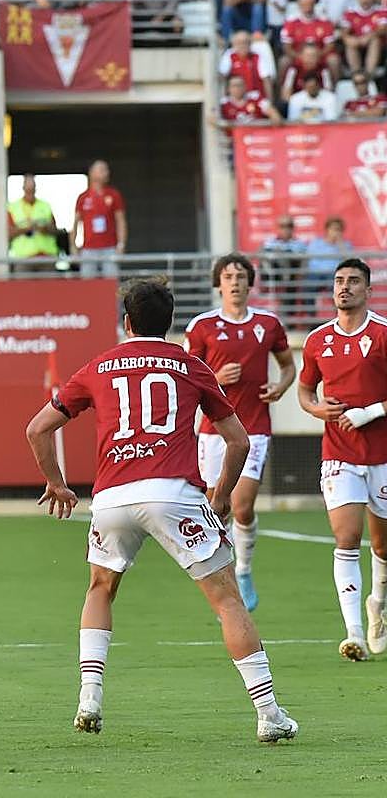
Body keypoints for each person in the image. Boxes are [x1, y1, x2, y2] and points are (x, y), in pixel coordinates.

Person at [25, 278, 299, 743]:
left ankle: (89, 697)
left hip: (112, 497)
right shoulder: (191, 365)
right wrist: (220, 497)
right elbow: (238, 441)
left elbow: (37, 429)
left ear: (126, 322)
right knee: (226, 599)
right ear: (170, 323)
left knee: (100, 588)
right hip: (174, 493)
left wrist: (56, 483)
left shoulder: (99, 365)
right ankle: (269, 714)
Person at [184, 254, 295, 612]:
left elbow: (288, 366)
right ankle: (225, 580)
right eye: (228, 276)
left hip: (254, 428)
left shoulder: (268, 324)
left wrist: (281, 386)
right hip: (213, 431)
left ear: (250, 283)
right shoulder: (201, 326)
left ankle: (244, 570)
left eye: (241, 276)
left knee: (242, 506)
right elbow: (187, 377)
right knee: (216, 508)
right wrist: (215, 379)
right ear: (218, 284)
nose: (235, 282)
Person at [298, 258, 387, 660]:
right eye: (339, 281)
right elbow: (305, 391)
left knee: (382, 546)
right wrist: (316, 409)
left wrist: (371, 412)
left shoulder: (382, 334)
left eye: (353, 281)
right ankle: (353, 633)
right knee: (346, 538)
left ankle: (377, 605)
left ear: (368, 290)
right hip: (339, 453)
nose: (344, 287)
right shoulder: (318, 340)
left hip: (382, 454)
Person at [72, 160, 126, 278]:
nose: (106, 173)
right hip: (88, 248)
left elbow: (120, 221)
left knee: (111, 281)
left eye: (106, 170)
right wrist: (73, 246)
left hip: (110, 247)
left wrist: (121, 244)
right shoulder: (83, 197)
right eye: (102, 170)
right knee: (87, 282)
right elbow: (75, 223)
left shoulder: (114, 195)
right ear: (92, 173)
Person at [7, 175, 59, 265]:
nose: (30, 193)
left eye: (32, 190)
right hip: (23, 258)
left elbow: (54, 230)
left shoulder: (45, 205)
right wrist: (27, 229)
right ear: (23, 189)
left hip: (46, 256)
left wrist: (43, 229)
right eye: (28, 190)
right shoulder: (13, 207)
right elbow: (8, 233)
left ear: (35, 189)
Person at [340, 0, 385, 78]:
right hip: (357, 45)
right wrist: (347, 38)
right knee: (350, 42)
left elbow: (383, 28)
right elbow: (344, 31)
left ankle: (369, 75)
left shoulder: (381, 10)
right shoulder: (350, 12)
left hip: (379, 49)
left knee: (375, 40)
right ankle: (356, 75)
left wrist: (368, 36)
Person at [218, 30, 274, 101]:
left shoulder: (257, 56)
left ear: (250, 44)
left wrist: (269, 101)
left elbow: (266, 80)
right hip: (235, 99)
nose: (242, 45)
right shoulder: (229, 56)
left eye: (245, 42)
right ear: (234, 44)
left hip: (255, 98)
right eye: (239, 43)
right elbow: (222, 75)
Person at [303, 217, 354, 291]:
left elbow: (350, 262)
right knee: (310, 283)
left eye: (339, 230)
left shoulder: (346, 244)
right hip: (316, 273)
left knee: (338, 284)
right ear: (327, 230)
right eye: (334, 229)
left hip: (334, 274)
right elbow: (307, 259)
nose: (336, 232)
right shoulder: (316, 242)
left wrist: (340, 245)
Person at [217, 74, 282, 126]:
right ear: (228, 89)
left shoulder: (255, 97)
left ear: (245, 86)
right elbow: (213, 118)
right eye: (234, 86)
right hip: (234, 137)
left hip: (256, 135)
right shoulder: (223, 103)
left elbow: (271, 111)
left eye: (240, 85)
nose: (237, 88)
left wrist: (274, 116)